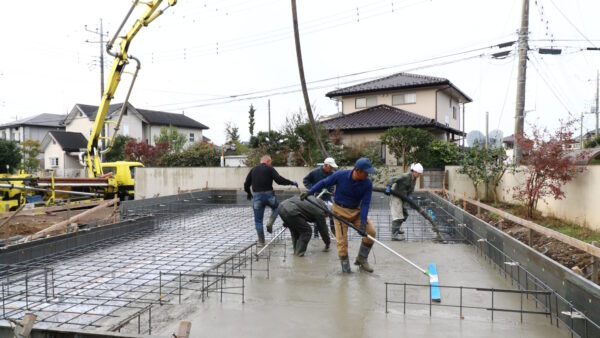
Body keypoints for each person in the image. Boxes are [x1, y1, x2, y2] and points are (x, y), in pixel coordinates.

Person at [301, 157, 376, 274]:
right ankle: (346, 268)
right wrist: (309, 192)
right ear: (357, 170)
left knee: (371, 232)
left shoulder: (367, 183)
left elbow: (366, 203)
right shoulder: (341, 175)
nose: (367, 175)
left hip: (356, 211)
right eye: (366, 172)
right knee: (342, 241)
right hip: (339, 211)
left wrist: (362, 223)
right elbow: (324, 183)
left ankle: (362, 259)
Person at [244, 155, 298, 246]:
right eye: (271, 162)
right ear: (268, 161)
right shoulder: (270, 168)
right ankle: (270, 222)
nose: (271, 164)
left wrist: (249, 193)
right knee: (277, 207)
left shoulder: (253, 170)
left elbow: (246, 184)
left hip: (257, 197)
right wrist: (291, 182)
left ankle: (261, 242)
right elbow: (279, 180)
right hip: (269, 196)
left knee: (258, 221)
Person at [384, 163, 423, 241]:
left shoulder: (414, 180)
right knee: (397, 216)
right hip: (396, 196)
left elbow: (411, 191)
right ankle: (394, 235)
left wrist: (410, 199)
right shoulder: (405, 176)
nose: (419, 175)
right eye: (418, 173)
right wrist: (388, 186)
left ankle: (397, 228)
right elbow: (393, 179)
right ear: (415, 172)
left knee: (405, 214)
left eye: (420, 174)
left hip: (403, 197)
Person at [302, 157, 338, 238]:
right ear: (326, 165)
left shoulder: (332, 173)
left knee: (332, 215)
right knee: (318, 215)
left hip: (328, 197)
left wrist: (332, 190)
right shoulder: (315, 172)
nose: (332, 169)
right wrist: (312, 189)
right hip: (318, 197)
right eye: (331, 167)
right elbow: (305, 180)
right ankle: (316, 235)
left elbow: (334, 183)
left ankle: (334, 234)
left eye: (332, 167)